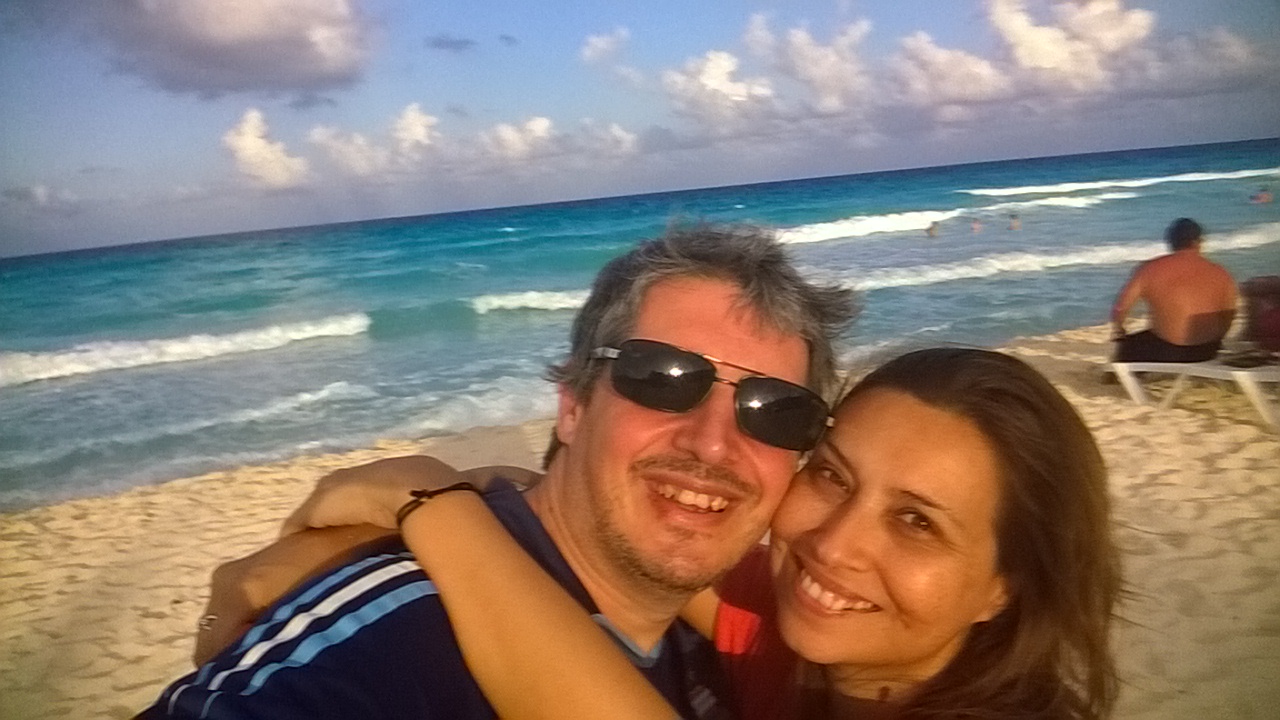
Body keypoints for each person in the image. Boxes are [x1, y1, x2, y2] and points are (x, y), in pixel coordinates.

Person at [137, 223, 856, 719]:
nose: (713, 445)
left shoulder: (729, 652)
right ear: (573, 405)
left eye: (776, 411)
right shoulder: (400, 632)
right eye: (663, 378)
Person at [199, 348, 1120, 719]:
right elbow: (620, 540)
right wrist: (310, 557)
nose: (835, 544)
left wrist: (435, 509)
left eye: (917, 522)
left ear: (1006, 584)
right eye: (832, 476)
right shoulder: (790, 635)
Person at [1110, 218, 1238, 363]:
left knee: (1128, 346)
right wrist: (1216, 338)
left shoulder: (1150, 268)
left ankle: (1122, 374)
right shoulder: (1220, 272)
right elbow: (1228, 315)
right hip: (1208, 350)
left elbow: (1121, 307)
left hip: (1167, 351)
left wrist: (1118, 328)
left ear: (1170, 242)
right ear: (1198, 242)